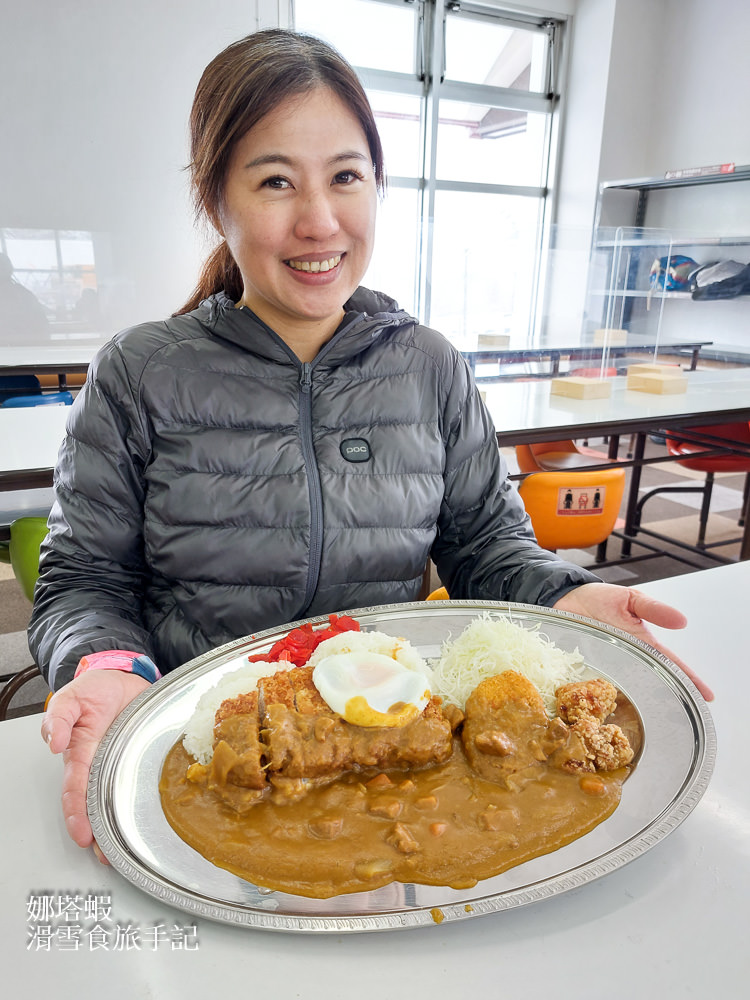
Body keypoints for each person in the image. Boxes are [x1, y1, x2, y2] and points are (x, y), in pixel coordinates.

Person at [31, 29, 712, 862]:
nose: (320, 222)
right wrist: (103, 669)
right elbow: (84, 579)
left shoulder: (429, 364)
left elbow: (484, 543)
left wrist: (566, 598)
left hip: (396, 763)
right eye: (276, 180)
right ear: (216, 201)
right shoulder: (138, 373)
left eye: (346, 177)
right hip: (203, 754)